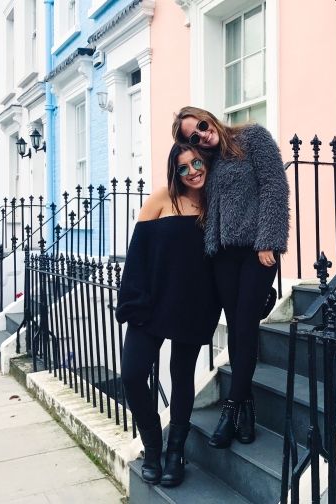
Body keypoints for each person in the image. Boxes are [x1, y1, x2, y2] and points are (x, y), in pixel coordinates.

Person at [172, 106, 289, 449]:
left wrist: (269, 239)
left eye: (203, 126)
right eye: (193, 136)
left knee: (244, 327)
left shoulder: (252, 137)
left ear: (211, 118)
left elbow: (274, 187)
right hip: (223, 255)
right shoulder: (206, 162)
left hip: (257, 250)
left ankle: (230, 408)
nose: (202, 135)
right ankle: (247, 407)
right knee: (237, 325)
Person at [116, 143, 220, 487]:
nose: (192, 171)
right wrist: (133, 301)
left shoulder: (215, 203)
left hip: (194, 305)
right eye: (183, 168)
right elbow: (137, 256)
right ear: (174, 172)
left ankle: (175, 452)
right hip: (152, 304)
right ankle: (152, 444)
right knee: (132, 373)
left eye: (196, 163)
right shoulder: (160, 199)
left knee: (181, 377)